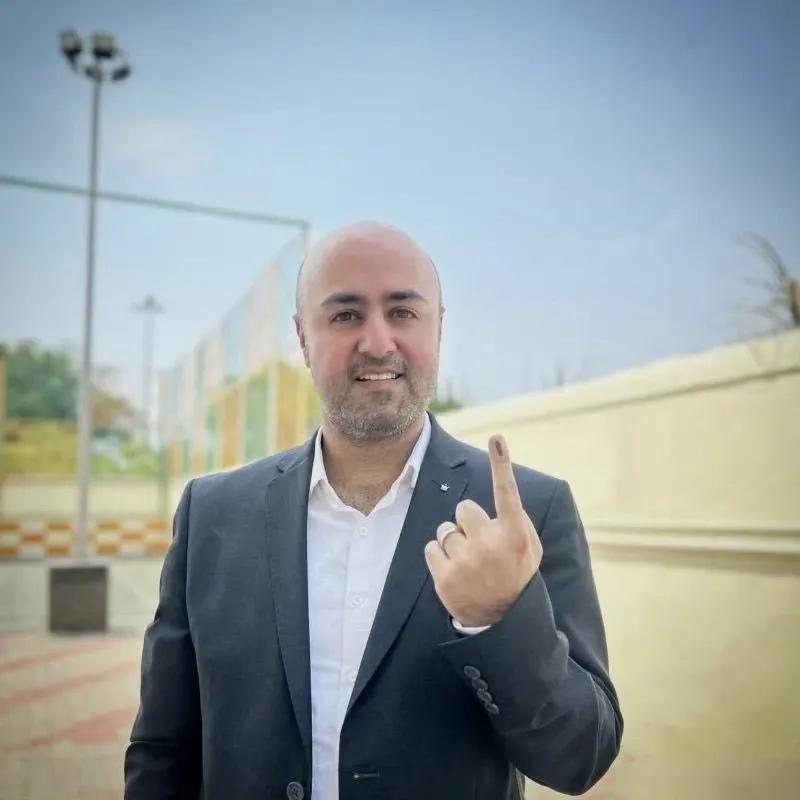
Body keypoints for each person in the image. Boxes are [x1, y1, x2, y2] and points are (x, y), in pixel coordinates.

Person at [124, 222, 623, 800]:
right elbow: (163, 748)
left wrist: (498, 620)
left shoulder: (526, 514)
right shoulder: (212, 515)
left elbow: (579, 757)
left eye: (403, 312)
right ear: (302, 337)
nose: (378, 342)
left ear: (439, 327)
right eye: (345, 315)